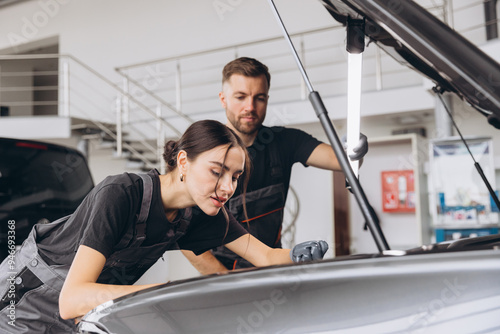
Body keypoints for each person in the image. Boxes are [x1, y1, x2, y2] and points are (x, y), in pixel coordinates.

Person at [0, 120, 328, 333]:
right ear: (183, 162)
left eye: (235, 176)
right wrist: (165, 293)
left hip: (78, 312)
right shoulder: (122, 193)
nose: (227, 187)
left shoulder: (201, 213)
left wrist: (298, 256)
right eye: (217, 171)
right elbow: (72, 298)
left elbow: (267, 257)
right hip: (23, 297)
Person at [183, 57, 367, 273]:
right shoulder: (205, 149)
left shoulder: (285, 141)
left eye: (259, 98)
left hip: (271, 267)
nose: (250, 107)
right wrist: (223, 278)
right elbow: (186, 232)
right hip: (220, 275)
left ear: (267, 99)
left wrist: (356, 150)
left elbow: (342, 162)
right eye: (240, 97)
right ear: (223, 99)